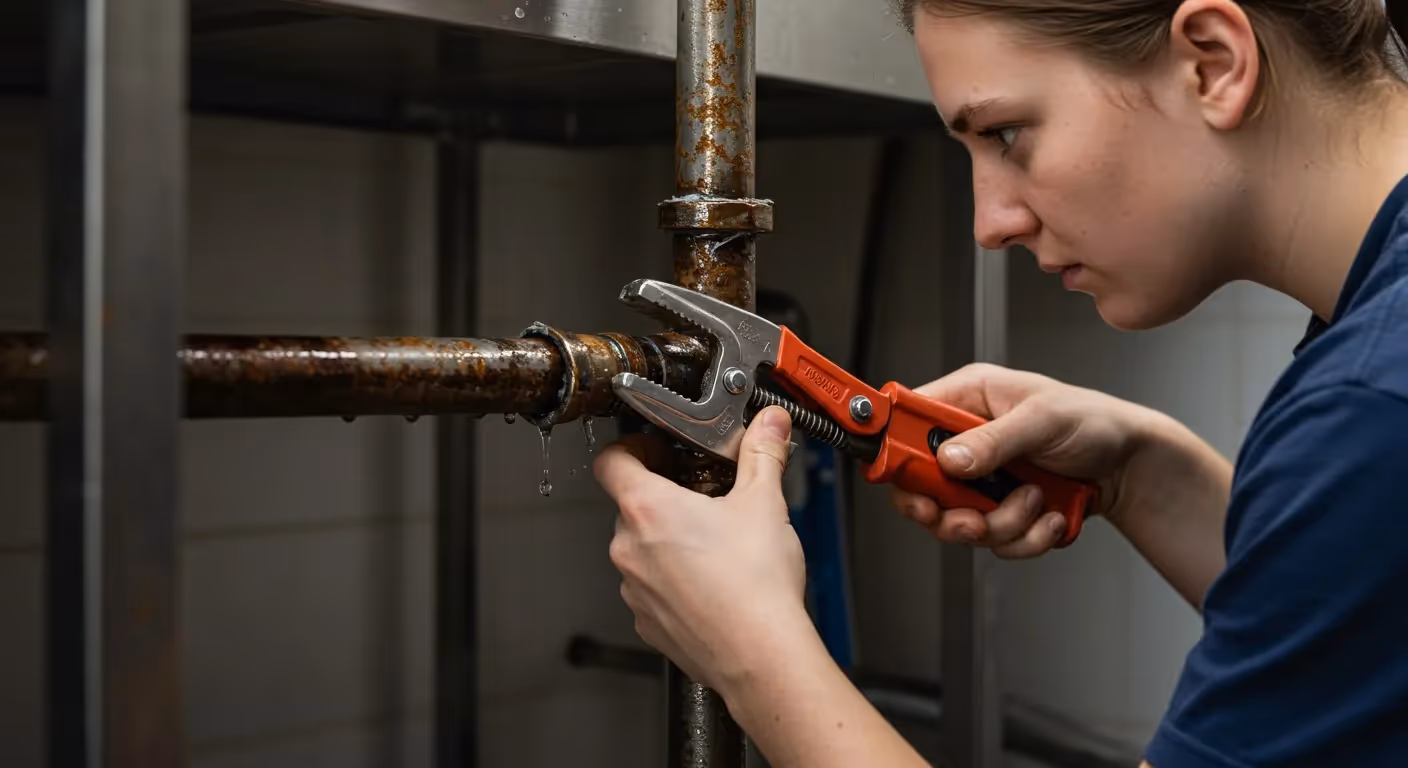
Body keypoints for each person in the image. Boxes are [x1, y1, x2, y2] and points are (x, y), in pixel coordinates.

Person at [593, 1, 1408, 765]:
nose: (991, 224)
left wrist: (753, 653)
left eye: (1008, 134)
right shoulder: (1371, 355)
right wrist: (1140, 475)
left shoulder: (1369, 407)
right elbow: (1361, 628)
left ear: (1212, 63)